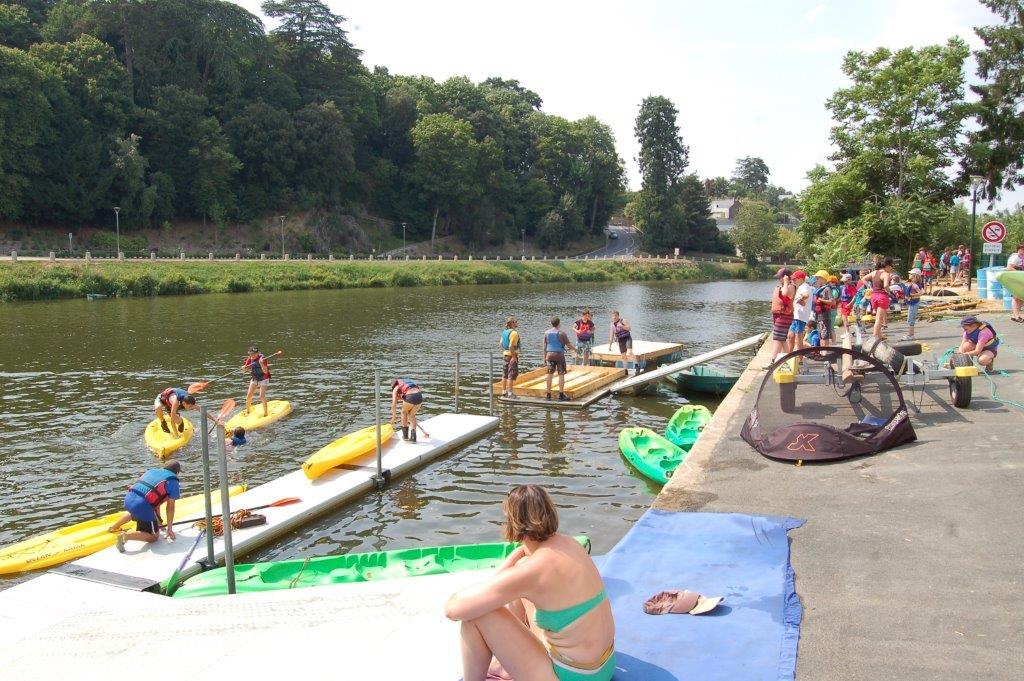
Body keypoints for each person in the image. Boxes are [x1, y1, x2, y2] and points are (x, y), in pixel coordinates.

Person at [445, 484, 615, 681]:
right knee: (518, 592)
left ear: (513, 522)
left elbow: (453, 610)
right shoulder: (571, 544)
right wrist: (520, 554)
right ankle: (503, 666)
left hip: (571, 676)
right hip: (604, 668)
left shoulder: (531, 571)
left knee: (475, 617)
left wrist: (511, 562)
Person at [109, 460, 182, 552]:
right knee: (154, 537)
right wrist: (169, 529)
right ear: (177, 472)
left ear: (164, 467)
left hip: (129, 498)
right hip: (142, 506)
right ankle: (125, 536)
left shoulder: (152, 471)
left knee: (135, 511)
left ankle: (114, 527)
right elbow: (170, 507)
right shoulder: (173, 481)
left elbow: (155, 501)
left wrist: (159, 523)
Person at [543, 317, 576, 402]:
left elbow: (544, 346)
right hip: (559, 355)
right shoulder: (562, 333)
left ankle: (548, 395)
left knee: (549, 374)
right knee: (561, 374)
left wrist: (544, 357)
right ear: (559, 324)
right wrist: (576, 350)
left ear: (551, 324)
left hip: (549, 355)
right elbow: (568, 345)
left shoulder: (546, 333)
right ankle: (561, 395)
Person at [861, 259, 893, 340]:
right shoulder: (886, 274)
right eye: (891, 267)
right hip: (882, 296)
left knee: (878, 317)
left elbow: (863, 279)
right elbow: (886, 285)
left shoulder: (874, 272)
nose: (891, 269)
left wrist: (870, 287)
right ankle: (875, 335)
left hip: (874, 296)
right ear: (887, 266)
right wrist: (889, 292)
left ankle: (879, 335)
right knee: (879, 318)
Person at [770, 268, 795, 358]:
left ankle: (773, 361)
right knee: (782, 339)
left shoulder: (790, 286)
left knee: (777, 338)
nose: (778, 279)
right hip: (778, 315)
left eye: (780, 277)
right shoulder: (782, 286)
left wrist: (786, 282)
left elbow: (784, 294)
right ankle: (787, 360)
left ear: (785, 277)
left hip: (784, 315)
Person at [242, 346, 272, 418]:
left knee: (261, 396)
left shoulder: (263, 359)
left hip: (263, 379)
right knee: (249, 395)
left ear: (258, 353)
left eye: (254, 354)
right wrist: (243, 368)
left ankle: (265, 413)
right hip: (255, 378)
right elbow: (244, 371)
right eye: (251, 354)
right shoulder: (250, 359)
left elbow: (265, 371)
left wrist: (261, 363)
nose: (253, 355)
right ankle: (248, 411)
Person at [391, 378, 424, 442]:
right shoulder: (409, 384)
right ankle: (413, 438)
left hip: (410, 397)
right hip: (419, 397)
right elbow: (415, 393)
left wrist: (394, 416)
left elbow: (394, 404)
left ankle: (405, 436)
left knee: (404, 412)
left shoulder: (396, 387)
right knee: (412, 415)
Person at [608, 311, 639, 376]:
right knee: (623, 356)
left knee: (630, 352)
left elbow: (629, 328)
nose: (614, 317)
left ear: (618, 316)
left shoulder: (623, 320)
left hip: (627, 338)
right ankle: (625, 370)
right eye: (613, 316)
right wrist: (610, 345)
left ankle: (637, 367)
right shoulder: (612, 325)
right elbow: (611, 335)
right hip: (620, 340)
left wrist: (622, 326)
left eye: (615, 316)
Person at [788, 271, 813, 351]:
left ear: (801, 279)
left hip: (801, 316)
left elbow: (806, 295)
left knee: (798, 337)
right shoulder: (801, 286)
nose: (793, 280)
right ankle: (789, 354)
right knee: (790, 336)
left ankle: (800, 357)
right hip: (797, 316)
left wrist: (800, 300)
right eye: (792, 279)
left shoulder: (804, 287)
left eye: (795, 279)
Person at [812, 270, 836, 348]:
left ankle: (825, 351)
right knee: (821, 335)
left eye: (818, 278)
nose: (816, 279)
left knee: (825, 335)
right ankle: (822, 351)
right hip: (818, 315)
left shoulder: (827, 289)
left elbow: (832, 302)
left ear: (823, 278)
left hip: (824, 315)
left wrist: (821, 300)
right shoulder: (819, 288)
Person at [499, 317, 521, 398]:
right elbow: (511, 346)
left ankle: (504, 391)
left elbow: (500, 344)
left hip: (505, 355)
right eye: (515, 321)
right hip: (512, 356)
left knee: (504, 375)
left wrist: (505, 352)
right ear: (512, 323)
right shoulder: (514, 333)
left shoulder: (504, 332)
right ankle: (510, 393)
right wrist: (514, 357)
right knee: (511, 375)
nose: (517, 323)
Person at [901, 268, 924, 341]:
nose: (909, 275)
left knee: (911, 319)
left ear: (915, 276)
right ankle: (910, 334)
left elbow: (921, 293)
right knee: (910, 319)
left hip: (914, 303)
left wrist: (912, 295)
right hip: (912, 303)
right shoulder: (913, 284)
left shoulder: (915, 285)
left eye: (911, 274)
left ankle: (911, 335)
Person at [1007, 243, 1024, 323]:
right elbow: (1009, 267)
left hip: (1020, 278)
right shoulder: (1015, 257)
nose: (1023, 251)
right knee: (1016, 297)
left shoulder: (1022, 257)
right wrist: (1019, 273)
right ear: (1018, 249)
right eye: (1022, 249)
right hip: (1015, 278)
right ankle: (1017, 316)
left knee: (1021, 297)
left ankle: (1015, 315)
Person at [838, 272, 857, 337]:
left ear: (849, 280)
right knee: (844, 318)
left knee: (845, 318)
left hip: (847, 303)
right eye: (844, 281)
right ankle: (847, 331)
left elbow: (854, 296)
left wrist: (850, 303)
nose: (844, 282)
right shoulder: (843, 287)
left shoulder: (851, 287)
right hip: (843, 303)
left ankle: (847, 332)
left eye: (846, 281)